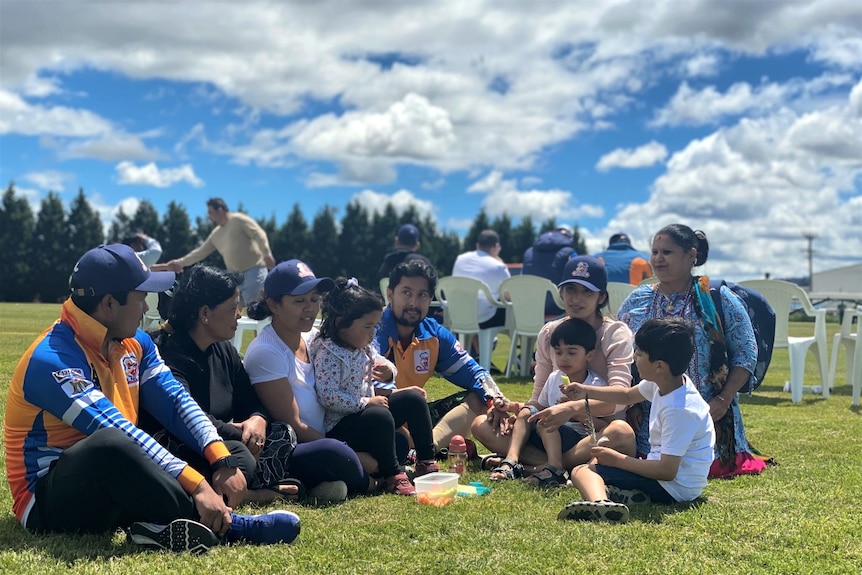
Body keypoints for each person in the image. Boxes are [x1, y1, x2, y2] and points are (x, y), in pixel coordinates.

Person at [3, 244, 299, 554]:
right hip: (45, 501)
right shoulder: (52, 360)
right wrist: (198, 484)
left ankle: (155, 528)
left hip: (113, 487)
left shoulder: (136, 342)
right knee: (111, 444)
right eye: (141, 297)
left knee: (143, 445)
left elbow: (177, 402)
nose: (146, 308)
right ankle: (230, 524)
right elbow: (117, 431)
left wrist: (221, 458)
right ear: (109, 304)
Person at [147, 264, 346, 504]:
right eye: (233, 308)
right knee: (240, 457)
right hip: (183, 441)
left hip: (230, 440)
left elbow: (251, 400)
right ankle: (255, 494)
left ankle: (259, 485)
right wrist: (242, 434)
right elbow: (189, 417)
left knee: (282, 434)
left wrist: (257, 420)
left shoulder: (224, 350)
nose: (239, 314)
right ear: (205, 313)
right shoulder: (169, 353)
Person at [616, 224, 766, 478]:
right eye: (655, 252)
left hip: (710, 416)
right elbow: (623, 356)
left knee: (698, 465)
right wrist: (631, 405)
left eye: (667, 252)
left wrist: (723, 399)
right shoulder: (637, 300)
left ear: (691, 256)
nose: (658, 259)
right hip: (650, 428)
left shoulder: (719, 298)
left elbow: (746, 352)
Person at [472, 255, 634, 477]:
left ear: (601, 297)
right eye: (570, 290)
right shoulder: (550, 333)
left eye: (586, 291)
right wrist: (516, 411)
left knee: (621, 432)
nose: (576, 299)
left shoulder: (614, 333)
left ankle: (540, 466)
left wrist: (571, 409)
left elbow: (619, 399)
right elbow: (538, 396)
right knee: (482, 423)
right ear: (561, 293)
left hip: (595, 432)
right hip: (549, 430)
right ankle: (550, 466)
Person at [556, 318, 715, 524]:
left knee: (583, 470)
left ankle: (602, 504)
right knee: (597, 471)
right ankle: (628, 496)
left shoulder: (680, 410)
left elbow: (667, 471)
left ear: (659, 366)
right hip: (669, 481)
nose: (633, 357)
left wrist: (617, 460)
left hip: (674, 488)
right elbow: (626, 396)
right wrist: (585, 390)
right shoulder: (666, 383)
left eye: (639, 354)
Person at [243, 260, 375, 497]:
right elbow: (293, 424)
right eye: (299, 301)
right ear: (273, 305)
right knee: (333, 453)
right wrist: (352, 453)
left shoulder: (313, 337)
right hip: (297, 447)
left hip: (331, 431)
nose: (310, 308)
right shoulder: (266, 352)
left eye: (314, 300)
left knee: (384, 425)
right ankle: (372, 482)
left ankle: (329, 482)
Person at [311, 277, 440, 496]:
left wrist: (391, 371)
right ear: (341, 322)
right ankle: (393, 474)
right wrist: (366, 402)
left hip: (368, 413)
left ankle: (426, 460)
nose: (372, 333)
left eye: (375, 327)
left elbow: (382, 361)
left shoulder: (362, 346)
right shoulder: (329, 353)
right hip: (342, 426)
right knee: (379, 415)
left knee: (413, 398)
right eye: (367, 327)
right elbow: (328, 396)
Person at [375, 259, 513, 452]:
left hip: (414, 419)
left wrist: (496, 400)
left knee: (479, 398)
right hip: (378, 414)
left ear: (430, 299)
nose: (413, 303)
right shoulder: (373, 329)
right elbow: (363, 387)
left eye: (422, 295)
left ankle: (427, 449)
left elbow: (474, 373)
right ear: (390, 294)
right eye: (406, 293)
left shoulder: (434, 334)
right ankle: (419, 448)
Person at [490, 317, 612, 488]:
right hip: (547, 438)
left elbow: (603, 426)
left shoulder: (595, 385)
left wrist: (575, 411)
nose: (563, 358)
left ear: (589, 355)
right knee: (527, 412)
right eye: (558, 352)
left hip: (576, 439)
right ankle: (511, 461)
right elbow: (539, 406)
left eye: (571, 352)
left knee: (546, 422)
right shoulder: (555, 378)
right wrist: (513, 407)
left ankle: (555, 469)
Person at [158, 198, 275, 307]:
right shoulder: (216, 234)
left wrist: (266, 254)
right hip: (235, 277)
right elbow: (201, 252)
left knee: (256, 307)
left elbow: (258, 234)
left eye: (210, 212)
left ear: (220, 210)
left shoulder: (239, 220)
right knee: (232, 310)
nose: (209, 217)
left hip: (254, 271)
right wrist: (180, 263)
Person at [451, 229, 510, 366]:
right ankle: (519, 358)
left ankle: (479, 354)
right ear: (496, 247)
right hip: (485, 317)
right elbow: (509, 297)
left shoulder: (460, 259)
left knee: (475, 308)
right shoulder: (498, 266)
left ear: (478, 245)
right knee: (509, 310)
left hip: (459, 313)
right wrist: (500, 260)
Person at [522, 225, 576, 315]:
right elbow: (578, 278)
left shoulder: (528, 251)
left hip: (528, 308)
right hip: (557, 308)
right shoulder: (569, 252)